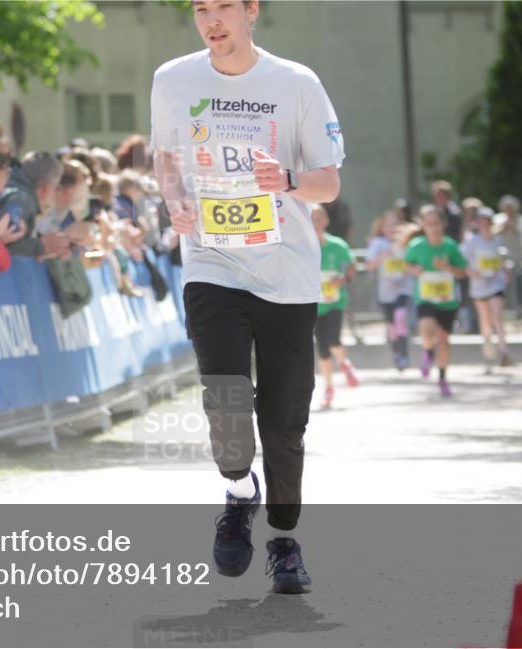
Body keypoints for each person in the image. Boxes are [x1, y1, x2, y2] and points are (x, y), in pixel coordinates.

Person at [151, 0, 345, 593]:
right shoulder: (173, 79)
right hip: (212, 264)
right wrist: (175, 201)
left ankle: (285, 542)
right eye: (200, 8)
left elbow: (328, 182)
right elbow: (166, 158)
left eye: (224, 7)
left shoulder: (296, 83)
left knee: (284, 422)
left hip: (287, 273)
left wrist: (285, 180)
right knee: (225, 398)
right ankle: (239, 492)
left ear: (251, 10)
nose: (212, 20)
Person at [405, 205, 468, 397]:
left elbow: (462, 272)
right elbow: (407, 265)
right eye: (429, 224)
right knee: (426, 330)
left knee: (444, 341)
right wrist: (413, 270)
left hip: (447, 301)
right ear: (423, 225)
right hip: (425, 298)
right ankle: (428, 352)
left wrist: (448, 267)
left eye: (436, 223)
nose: (433, 228)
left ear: (443, 224)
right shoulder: (416, 246)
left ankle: (442, 378)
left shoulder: (450, 246)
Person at [312, 204, 358, 409]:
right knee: (322, 347)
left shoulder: (337, 246)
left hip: (335, 302)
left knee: (333, 338)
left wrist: (344, 279)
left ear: (326, 221)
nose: (315, 223)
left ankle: (344, 363)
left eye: (318, 218)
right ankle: (329, 387)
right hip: (314, 305)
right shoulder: (302, 247)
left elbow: (351, 266)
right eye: (311, 218)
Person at [462, 207, 512, 369]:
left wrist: (506, 271)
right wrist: (471, 272)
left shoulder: (498, 241)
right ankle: (488, 341)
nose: (484, 225)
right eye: (481, 222)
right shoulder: (472, 242)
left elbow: (503, 260)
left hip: (496, 283)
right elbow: (463, 261)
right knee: (485, 318)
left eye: (487, 222)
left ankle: (503, 350)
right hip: (479, 286)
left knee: (497, 316)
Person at [365, 209, 414, 370]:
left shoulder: (407, 243)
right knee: (392, 324)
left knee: (401, 316)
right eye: (388, 225)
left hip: (403, 288)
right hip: (386, 292)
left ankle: (404, 353)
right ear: (382, 227)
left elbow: (412, 263)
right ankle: (396, 352)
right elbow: (370, 266)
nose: (392, 229)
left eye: (395, 225)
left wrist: (406, 270)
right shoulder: (377, 244)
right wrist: (384, 255)